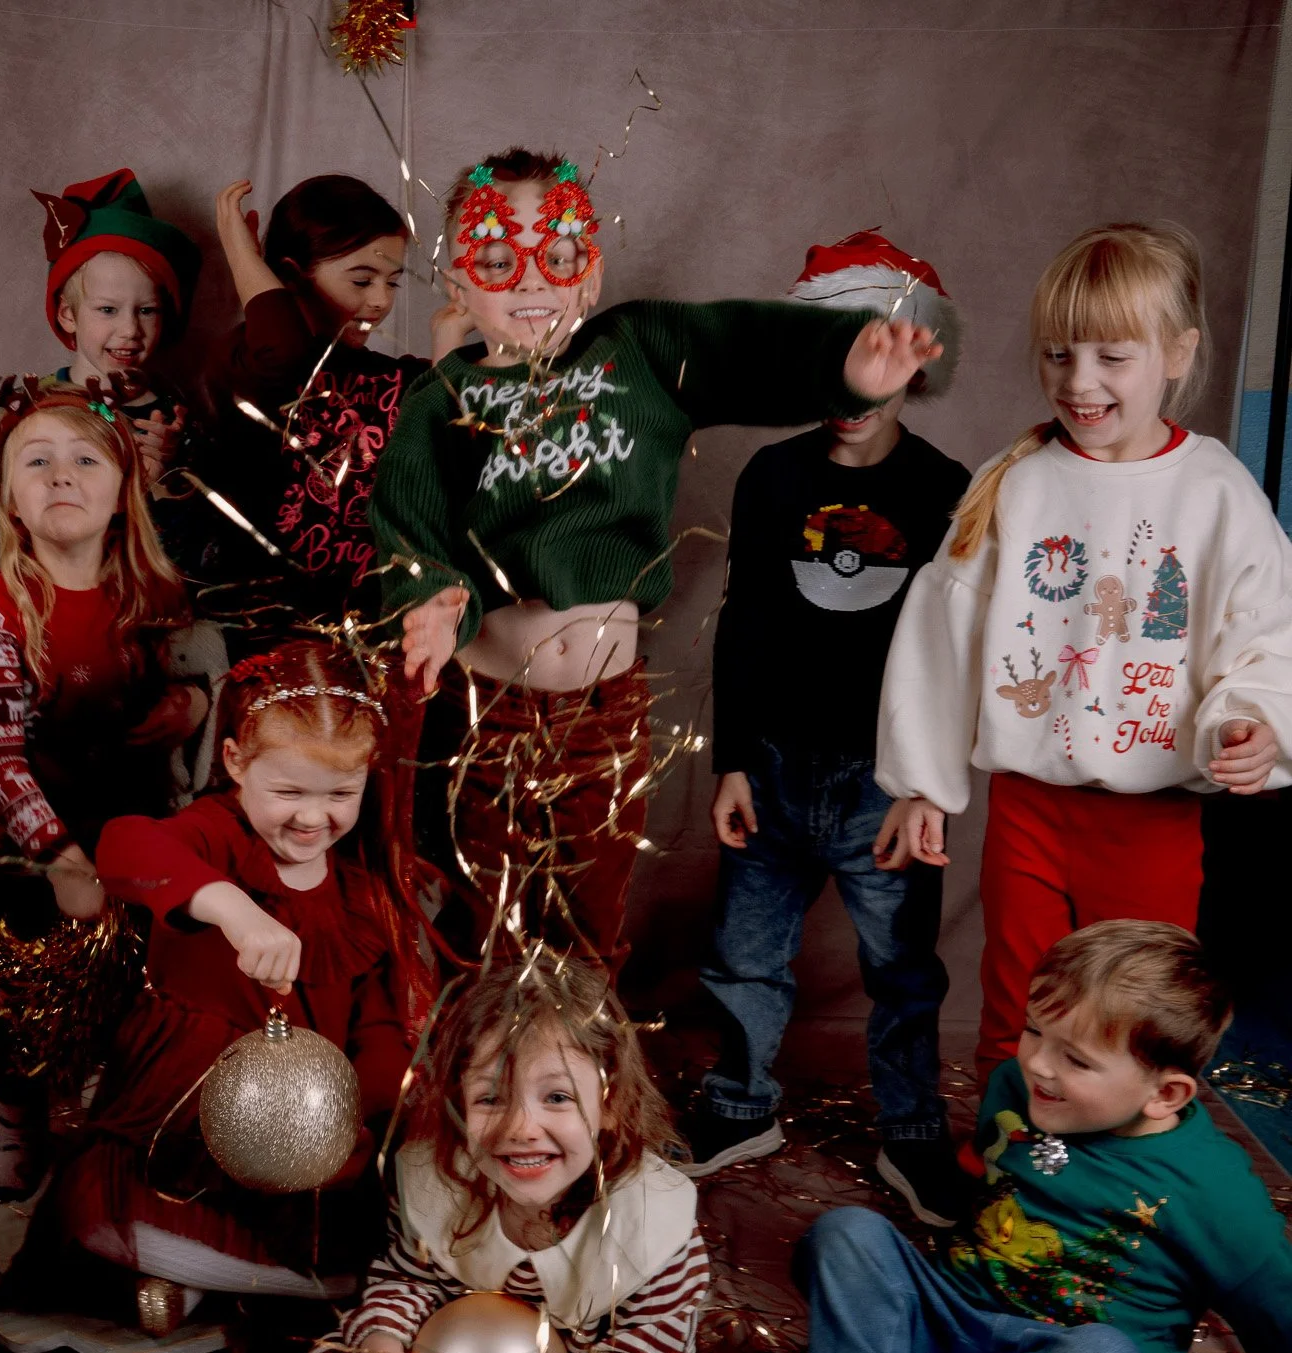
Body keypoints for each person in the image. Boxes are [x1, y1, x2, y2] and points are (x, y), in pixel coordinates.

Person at [372, 147, 940, 973]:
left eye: (556, 257)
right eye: (497, 261)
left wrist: (846, 365)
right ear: (459, 285)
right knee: (482, 924)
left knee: (585, 922)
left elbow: (739, 346)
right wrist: (428, 597)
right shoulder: (442, 400)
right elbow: (406, 523)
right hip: (485, 710)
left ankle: (577, 1088)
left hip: (601, 715)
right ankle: (482, 1091)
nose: (530, 280)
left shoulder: (634, 349)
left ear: (589, 275)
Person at [874, 222, 1292, 1076]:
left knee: (1133, 1015)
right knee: (1019, 1001)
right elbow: (943, 632)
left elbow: (1264, 630)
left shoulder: (1216, 491)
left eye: (1112, 356)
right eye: (1059, 354)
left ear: (1176, 353)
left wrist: (1256, 721)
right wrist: (924, 780)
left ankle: (1111, 1192)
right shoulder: (1019, 479)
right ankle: (1006, 1176)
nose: (1081, 381)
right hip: (1029, 808)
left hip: (1152, 820)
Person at [684, 233, 971, 1223]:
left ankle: (912, 1133)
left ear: (915, 358)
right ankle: (737, 1100)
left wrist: (929, 780)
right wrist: (727, 762)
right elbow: (743, 620)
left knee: (899, 966)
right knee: (742, 949)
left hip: (881, 780)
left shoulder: (946, 487)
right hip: (770, 765)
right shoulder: (769, 475)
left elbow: (958, 646)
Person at [795, 920, 1292, 1353]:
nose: (1036, 1063)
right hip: (962, 1327)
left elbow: (1280, 1320)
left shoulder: (1216, 1193)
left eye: (1076, 1059)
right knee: (847, 1235)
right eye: (1034, 1030)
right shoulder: (1019, 1088)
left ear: (1165, 1094)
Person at [47, 643, 424, 1321]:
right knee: (127, 1199)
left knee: (348, 1220)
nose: (314, 818)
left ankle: (239, 1286)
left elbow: (375, 1027)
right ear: (234, 764)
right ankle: (196, 1271)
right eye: (288, 792)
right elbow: (127, 848)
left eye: (341, 793)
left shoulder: (361, 897)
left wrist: (361, 1097)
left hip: (304, 1122)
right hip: (194, 1098)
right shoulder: (217, 834)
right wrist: (232, 909)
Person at [298, 956, 713, 1353]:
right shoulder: (442, 1182)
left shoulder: (652, 1218)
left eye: (557, 1097)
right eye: (491, 1098)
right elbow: (408, 1279)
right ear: (458, 1104)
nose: (521, 1127)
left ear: (609, 1103)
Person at [0, 378, 207, 1201]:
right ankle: (17, 1137)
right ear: (11, 500)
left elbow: (204, 677)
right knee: (20, 996)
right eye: (37, 462)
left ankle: (121, 1123)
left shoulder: (154, 591)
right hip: (32, 839)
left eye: (83, 459)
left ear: (122, 490)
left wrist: (193, 703)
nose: (61, 476)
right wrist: (59, 855)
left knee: (141, 987)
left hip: (141, 824)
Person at [205, 174, 469, 644]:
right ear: (289, 276)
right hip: (271, 638)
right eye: (362, 280)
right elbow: (283, 351)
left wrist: (451, 335)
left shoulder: (394, 378)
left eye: (392, 282)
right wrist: (241, 252)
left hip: (375, 639)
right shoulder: (249, 365)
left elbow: (458, 440)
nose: (381, 300)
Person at [0, 169, 221, 580]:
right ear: (68, 314)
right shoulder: (22, 412)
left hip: (150, 619)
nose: (129, 330)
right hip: (52, 617)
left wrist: (168, 481)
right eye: (108, 310)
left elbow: (202, 560)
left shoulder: (176, 420)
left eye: (147, 311)